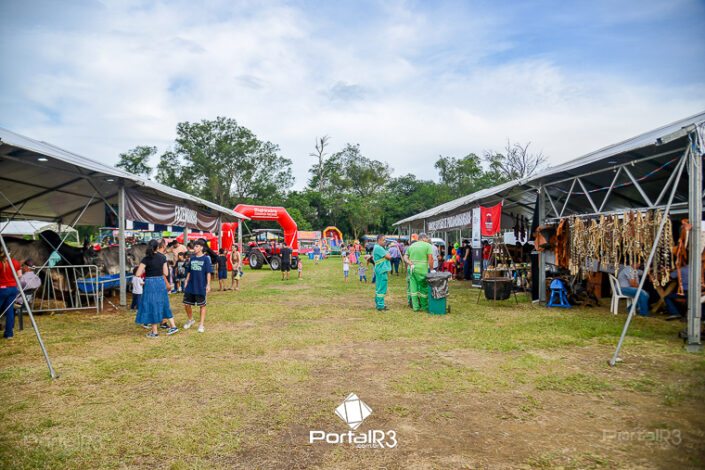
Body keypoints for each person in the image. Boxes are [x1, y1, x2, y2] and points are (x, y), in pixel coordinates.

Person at [134, 239, 179, 338]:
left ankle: (154, 332)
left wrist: (145, 269)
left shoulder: (146, 259)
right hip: (160, 282)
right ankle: (173, 326)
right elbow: (166, 273)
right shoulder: (162, 257)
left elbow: (137, 274)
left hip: (150, 283)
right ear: (157, 247)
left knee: (151, 305)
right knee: (164, 303)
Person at [183, 240, 213, 333]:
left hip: (200, 286)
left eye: (196, 246)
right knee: (186, 304)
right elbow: (189, 271)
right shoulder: (192, 258)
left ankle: (201, 325)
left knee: (202, 305)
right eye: (194, 246)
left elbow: (208, 273)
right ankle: (190, 320)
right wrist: (186, 281)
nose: (194, 248)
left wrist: (208, 284)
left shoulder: (206, 259)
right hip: (191, 285)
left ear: (201, 248)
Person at [404, 233, 435, 312]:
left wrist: (410, 263)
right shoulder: (428, 246)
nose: (427, 240)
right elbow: (430, 259)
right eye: (427, 239)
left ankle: (415, 307)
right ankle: (424, 306)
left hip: (411, 269)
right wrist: (432, 269)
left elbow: (405, 257)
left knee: (413, 287)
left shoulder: (411, 246)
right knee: (423, 288)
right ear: (424, 238)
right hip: (422, 270)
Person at [0, 249, 21, 339]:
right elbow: (19, 275)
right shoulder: (15, 262)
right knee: (10, 311)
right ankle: (9, 334)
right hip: (13, 288)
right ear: (9, 253)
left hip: (2, 289)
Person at [373, 234, 392, 311]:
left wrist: (386, 248)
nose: (385, 241)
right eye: (383, 240)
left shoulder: (377, 247)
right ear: (379, 240)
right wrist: (387, 248)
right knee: (382, 288)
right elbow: (389, 257)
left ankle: (378, 303)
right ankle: (380, 305)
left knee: (379, 287)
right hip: (381, 270)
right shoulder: (379, 248)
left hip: (380, 269)